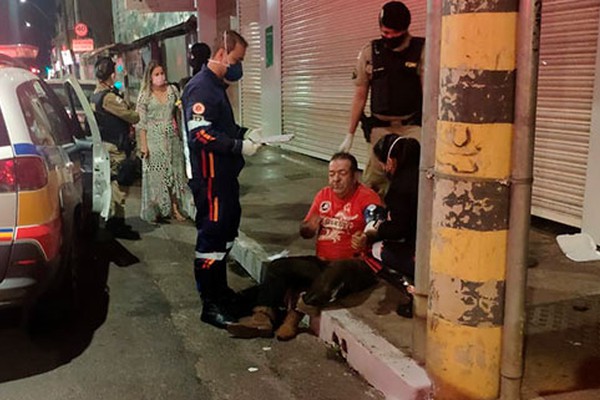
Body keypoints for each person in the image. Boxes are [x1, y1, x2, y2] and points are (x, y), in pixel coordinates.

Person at [226, 153, 383, 340]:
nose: (336, 179)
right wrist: (309, 227)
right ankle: (262, 317)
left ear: (354, 176)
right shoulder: (324, 195)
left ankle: (295, 316)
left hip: (357, 266)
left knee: (338, 268)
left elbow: (375, 225)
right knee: (278, 267)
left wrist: (365, 236)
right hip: (322, 263)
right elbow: (305, 231)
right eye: (332, 174)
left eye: (342, 173)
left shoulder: (367, 197)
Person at [181, 30, 262, 329]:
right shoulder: (201, 88)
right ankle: (209, 302)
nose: (238, 65)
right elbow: (200, 133)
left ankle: (220, 290)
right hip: (211, 180)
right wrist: (238, 146)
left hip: (225, 178)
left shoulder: (216, 87)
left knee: (227, 233)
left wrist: (243, 133)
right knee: (211, 239)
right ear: (220, 54)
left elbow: (221, 126)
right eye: (237, 59)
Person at [339, 1, 424, 198]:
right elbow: (360, 95)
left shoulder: (421, 50)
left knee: (413, 178)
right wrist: (349, 134)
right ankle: (374, 224)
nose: (389, 38)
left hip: (412, 127)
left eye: (395, 33)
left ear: (405, 29)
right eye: (385, 33)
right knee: (375, 182)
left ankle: (408, 224)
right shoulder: (370, 52)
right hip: (380, 128)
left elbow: (429, 93)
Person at [362, 134, 420, 317]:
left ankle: (415, 295)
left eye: (381, 162)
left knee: (376, 250)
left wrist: (376, 230)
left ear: (391, 161)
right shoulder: (425, 174)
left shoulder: (401, 187)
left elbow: (398, 229)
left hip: (422, 255)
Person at [91, 56, 141, 240]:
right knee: (119, 185)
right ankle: (116, 224)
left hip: (108, 144)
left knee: (115, 183)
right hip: (115, 147)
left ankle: (116, 221)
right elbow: (132, 116)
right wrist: (134, 109)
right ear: (111, 74)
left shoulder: (96, 94)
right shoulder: (108, 97)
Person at [136, 61, 189, 223]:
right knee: (157, 176)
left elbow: (179, 111)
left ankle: (175, 208)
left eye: (162, 73)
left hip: (172, 138)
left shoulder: (173, 90)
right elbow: (141, 123)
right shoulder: (145, 95)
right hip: (153, 139)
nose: (161, 77)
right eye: (156, 74)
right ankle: (156, 209)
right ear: (150, 77)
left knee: (174, 174)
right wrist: (144, 145)